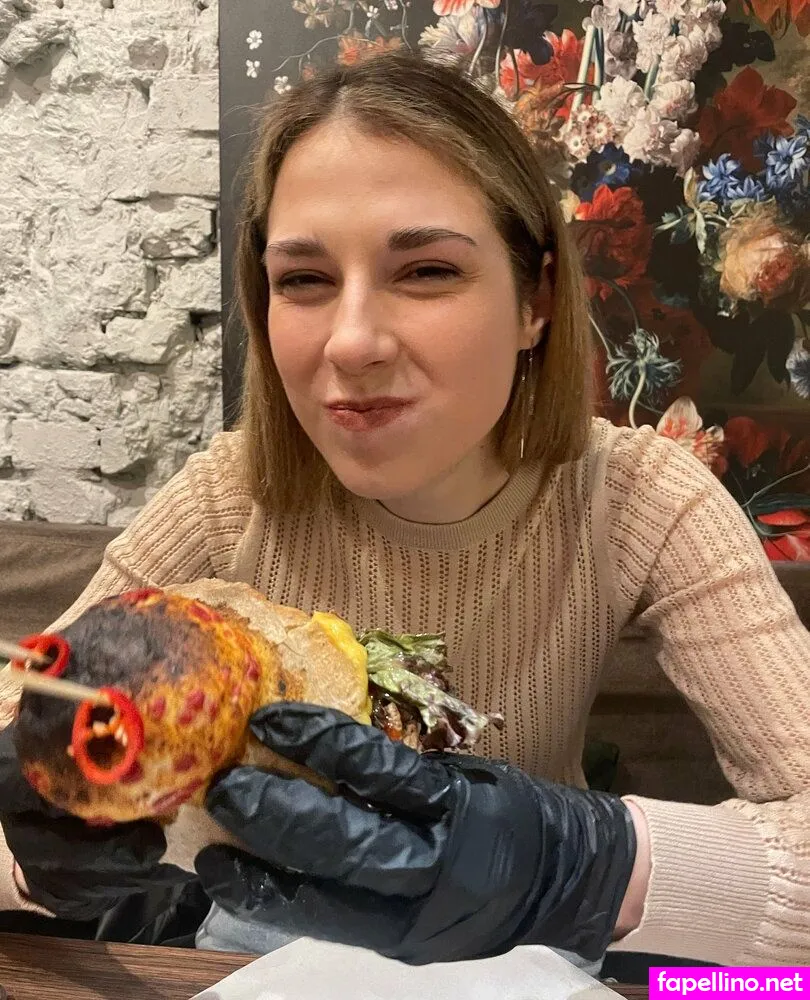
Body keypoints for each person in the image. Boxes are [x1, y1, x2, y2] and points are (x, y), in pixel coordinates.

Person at [0, 50, 809, 970]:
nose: (351, 342)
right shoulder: (230, 496)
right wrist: (35, 862)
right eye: (304, 280)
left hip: (531, 966)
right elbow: (25, 726)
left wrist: (583, 865)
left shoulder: (640, 501)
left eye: (425, 270)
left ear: (537, 300)